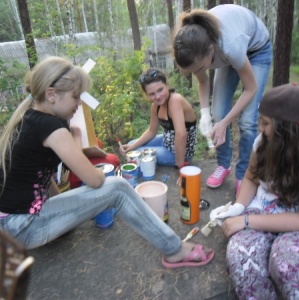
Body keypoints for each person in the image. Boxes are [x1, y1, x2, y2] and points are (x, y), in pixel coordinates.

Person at [0, 56, 214, 269]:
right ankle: (175, 249)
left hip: (11, 223)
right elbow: (94, 179)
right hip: (22, 226)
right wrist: (75, 136)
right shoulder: (52, 127)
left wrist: (64, 207)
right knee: (119, 188)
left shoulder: (29, 118)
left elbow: (42, 176)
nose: (79, 104)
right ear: (52, 95)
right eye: (76, 97)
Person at [210, 83, 299, 299]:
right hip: (261, 211)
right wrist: (238, 207)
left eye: (266, 123)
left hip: (294, 223)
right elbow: (251, 176)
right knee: (241, 260)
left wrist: (247, 221)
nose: (260, 128)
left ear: (288, 129)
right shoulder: (264, 142)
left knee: (285, 266)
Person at [172, 4, 272, 195]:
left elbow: (251, 89)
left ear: (211, 49)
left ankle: (244, 174)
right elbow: (203, 81)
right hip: (225, 53)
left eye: (200, 68)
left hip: (256, 50)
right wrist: (205, 115)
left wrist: (226, 123)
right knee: (218, 112)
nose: (198, 73)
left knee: (248, 121)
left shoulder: (230, 46)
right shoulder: (195, 49)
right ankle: (223, 165)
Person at [120, 68, 197, 170]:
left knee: (137, 152)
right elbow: (152, 131)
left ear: (167, 86)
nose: (158, 96)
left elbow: (181, 134)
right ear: (146, 95)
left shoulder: (175, 100)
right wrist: (131, 147)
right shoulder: (156, 106)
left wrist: (180, 165)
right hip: (167, 141)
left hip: (180, 153)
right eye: (152, 94)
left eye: (160, 90)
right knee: (131, 145)